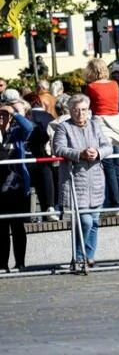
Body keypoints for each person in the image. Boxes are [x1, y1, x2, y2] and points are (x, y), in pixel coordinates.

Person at [53, 94, 112, 268]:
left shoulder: (95, 125)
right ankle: (79, 255)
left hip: (96, 180)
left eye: (84, 110)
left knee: (94, 221)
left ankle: (89, 255)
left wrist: (98, 152)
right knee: (84, 221)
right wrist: (80, 154)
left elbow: (108, 145)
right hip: (75, 180)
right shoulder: (63, 127)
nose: (80, 114)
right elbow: (59, 148)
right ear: (70, 110)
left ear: (88, 110)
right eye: (76, 110)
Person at [84, 58, 119, 215]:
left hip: (101, 125)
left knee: (108, 166)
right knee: (117, 166)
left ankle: (114, 204)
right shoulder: (114, 85)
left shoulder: (91, 87)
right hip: (116, 124)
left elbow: (89, 107)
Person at [0, 99, 34, 272]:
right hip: (0, 189)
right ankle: (2, 264)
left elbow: (29, 128)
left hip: (17, 187)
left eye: (4, 115)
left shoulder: (16, 133)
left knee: (17, 226)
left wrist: (14, 112)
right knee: (1, 228)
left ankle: (20, 262)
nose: (1, 118)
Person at [25, 93, 58, 221]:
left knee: (44, 172)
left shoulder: (30, 117)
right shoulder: (49, 117)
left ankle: (43, 210)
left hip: (34, 159)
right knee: (46, 172)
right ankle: (50, 208)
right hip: (43, 158)